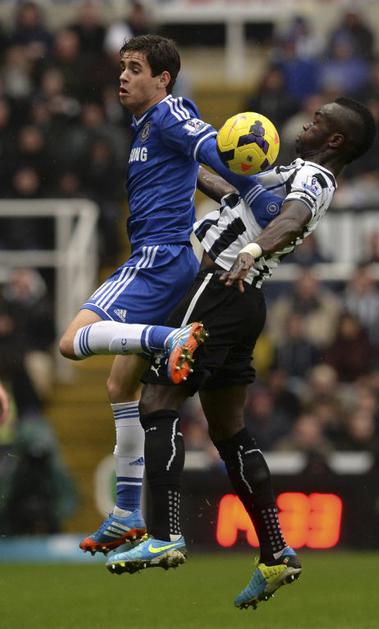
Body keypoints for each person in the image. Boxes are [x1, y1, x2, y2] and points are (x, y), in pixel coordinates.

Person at [105, 97, 376, 609]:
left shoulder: (315, 178)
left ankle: (164, 533)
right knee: (229, 431)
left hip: (218, 287)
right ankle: (275, 553)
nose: (307, 122)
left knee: (157, 400)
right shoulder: (290, 172)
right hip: (243, 301)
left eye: (318, 121)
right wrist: (183, 164)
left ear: (335, 139)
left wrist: (252, 249)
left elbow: (292, 219)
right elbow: (236, 192)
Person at [59, 34, 283, 555]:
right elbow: (194, 167)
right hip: (170, 260)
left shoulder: (169, 112)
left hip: (157, 260)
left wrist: (252, 185)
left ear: (163, 80)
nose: (123, 76)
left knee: (71, 342)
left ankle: (170, 339)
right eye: (122, 66)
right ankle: (126, 512)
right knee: (120, 385)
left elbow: (208, 146)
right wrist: (233, 191)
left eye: (135, 68)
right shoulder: (145, 125)